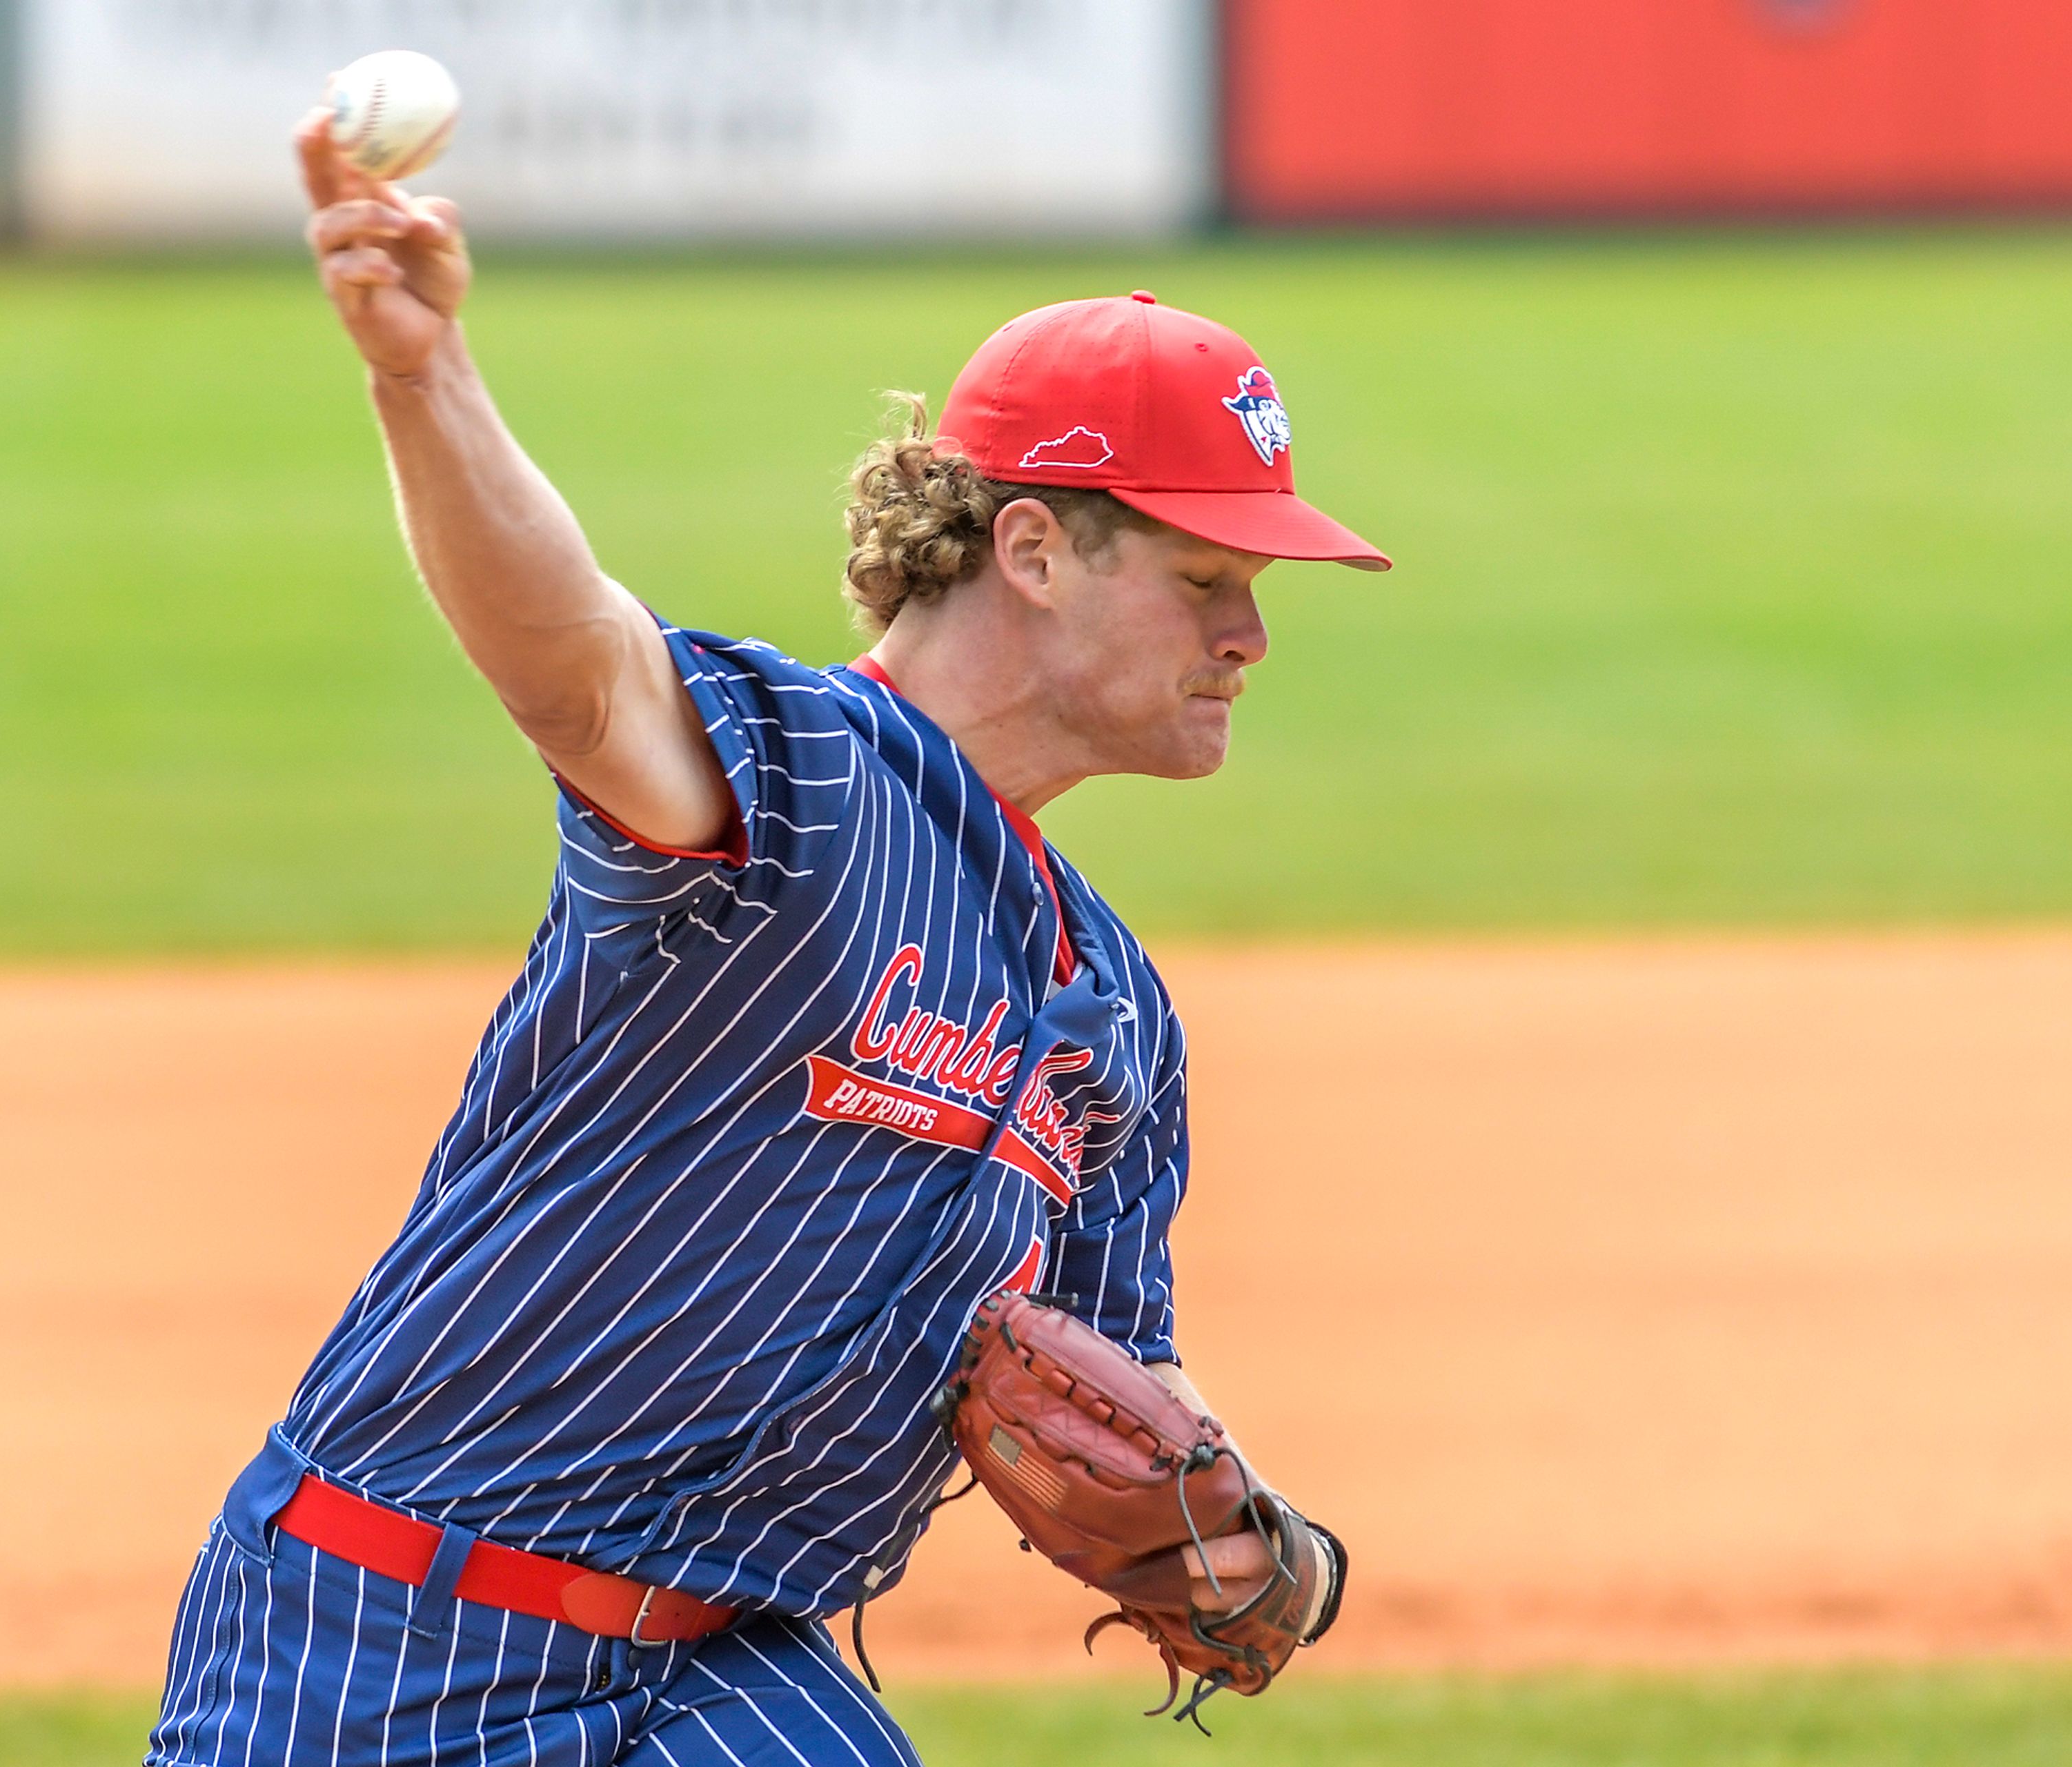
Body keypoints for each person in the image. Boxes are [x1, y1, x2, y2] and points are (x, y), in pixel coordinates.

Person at [145, 112, 1389, 1767]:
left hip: (732, 1667)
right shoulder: (799, 783)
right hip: (395, 1634)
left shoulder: (1113, 1017)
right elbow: (571, 661)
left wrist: (1248, 1552)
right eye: (1203, 577)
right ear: (1030, 549)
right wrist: (423, 377)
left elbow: (1107, 1407)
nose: (1251, 635)